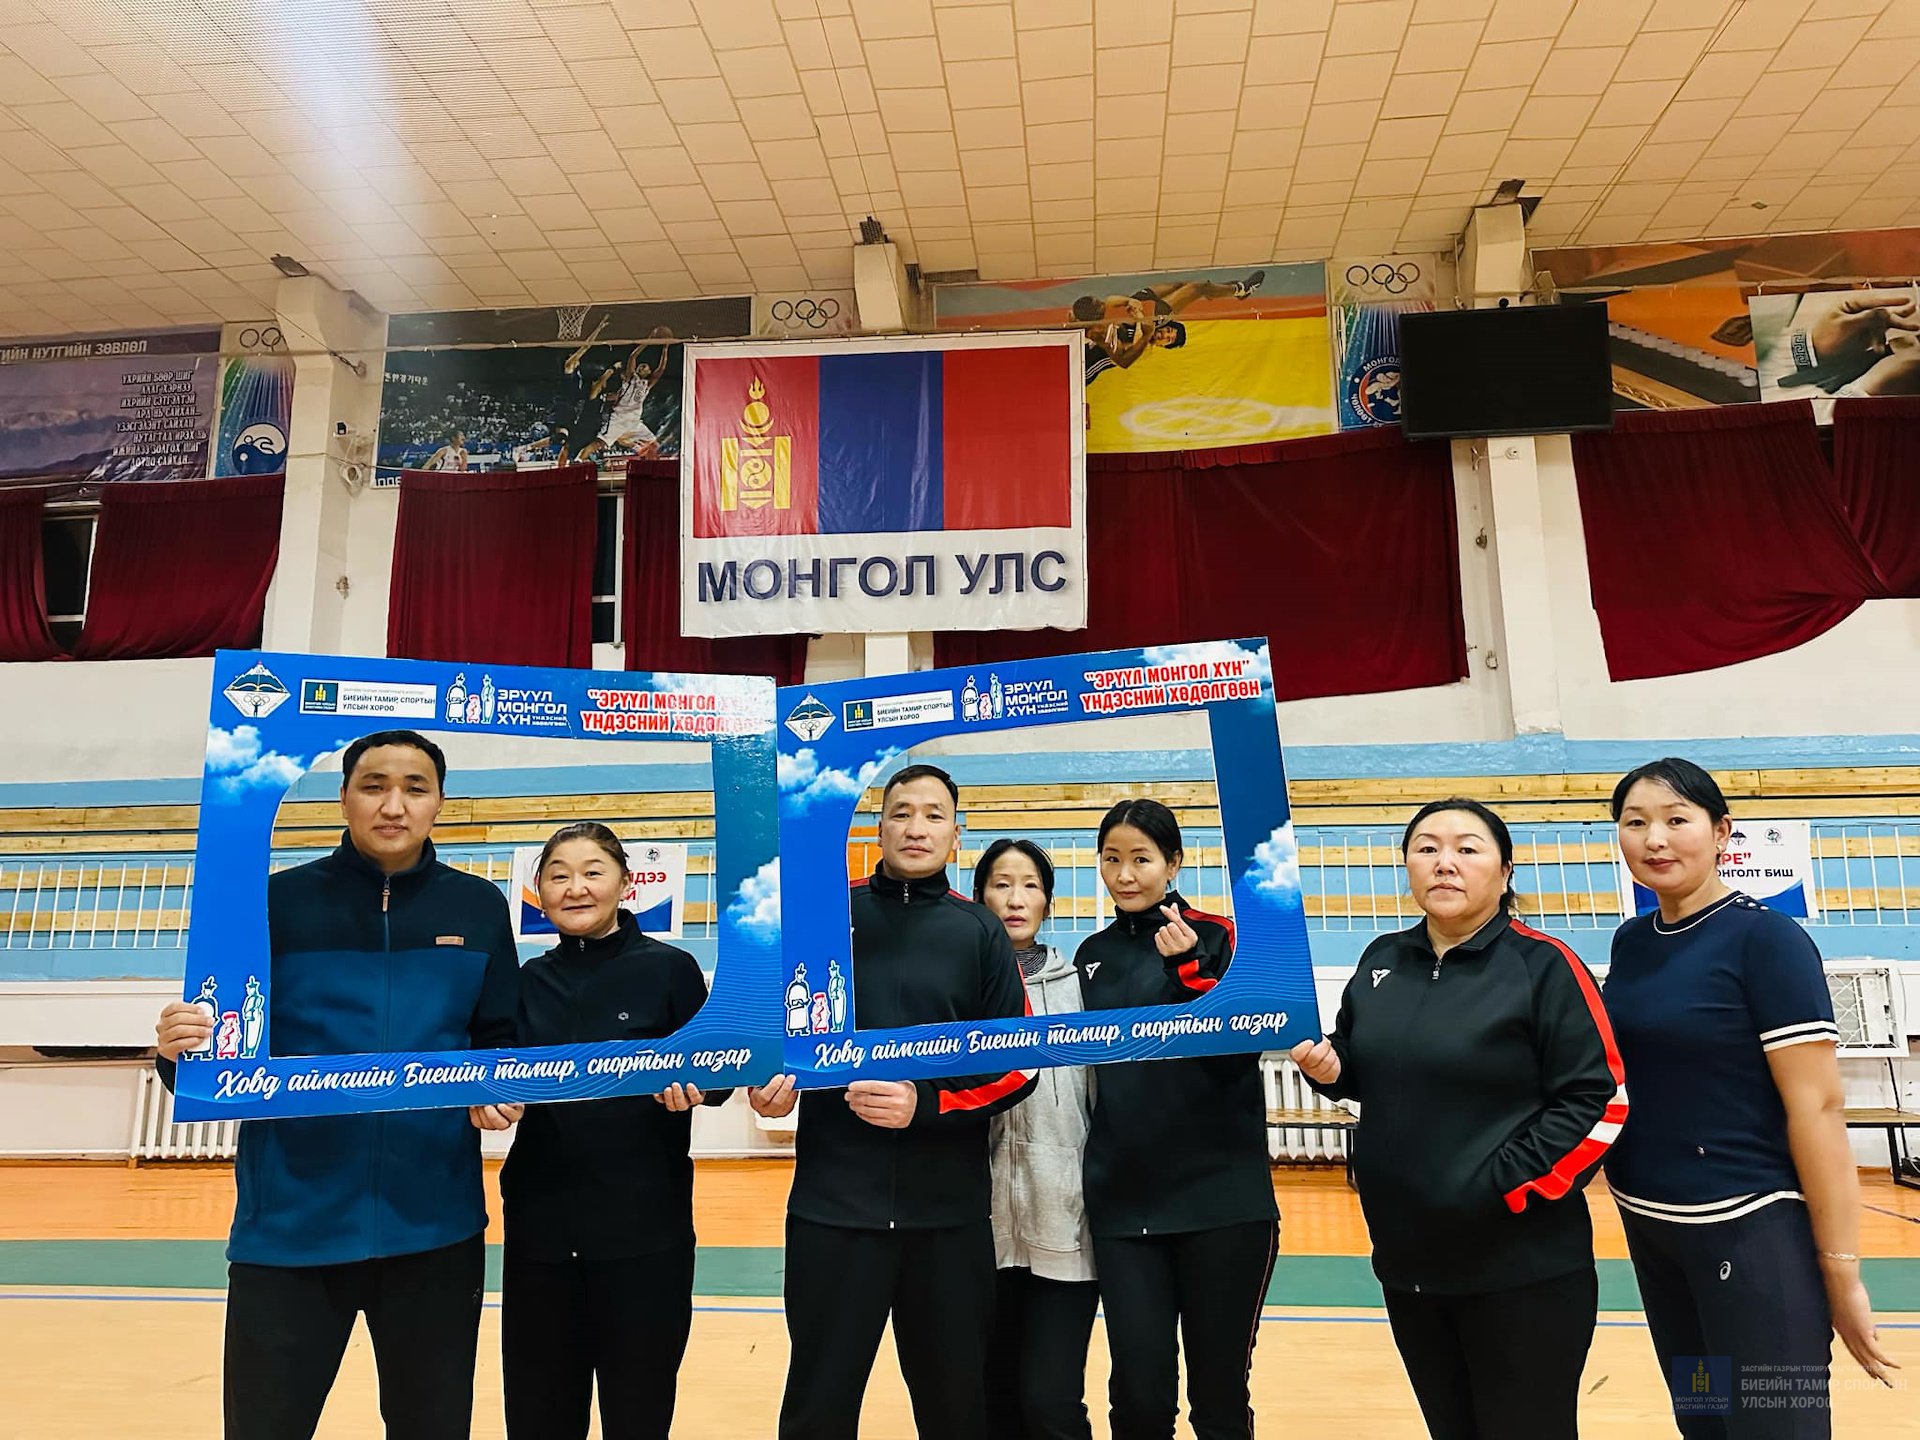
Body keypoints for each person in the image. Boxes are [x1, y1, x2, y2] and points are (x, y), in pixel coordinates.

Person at [153, 729, 519, 1440]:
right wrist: (175, 1051)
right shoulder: (270, 903)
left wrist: (496, 1088)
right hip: (288, 1230)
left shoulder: (478, 907)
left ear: (440, 803)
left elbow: (498, 1035)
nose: (394, 805)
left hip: (434, 1229)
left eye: (415, 788)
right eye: (373, 786)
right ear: (343, 798)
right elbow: (216, 1053)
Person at [1291, 798, 1626, 1440]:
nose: (1444, 862)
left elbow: (1599, 1099)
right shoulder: (1382, 959)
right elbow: (1363, 1065)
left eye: (1467, 849)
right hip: (1409, 1264)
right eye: (1426, 848)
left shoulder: (1545, 965)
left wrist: (1501, 1184)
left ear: (1504, 872)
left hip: (1521, 1270)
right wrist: (1331, 1069)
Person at [1601, 758, 1897, 1437]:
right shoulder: (1633, 941)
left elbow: (1817, 1108)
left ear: (1721, 831)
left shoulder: (1768, 941)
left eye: (1677, 820)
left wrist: (1841, 1271)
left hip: (1750, 1234)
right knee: (1702, 1416)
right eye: (1635, 822)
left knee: (1773, 1423)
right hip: (1655, 1235)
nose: (1654, 839)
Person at [750, 762, 1038, 1440]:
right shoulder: (824, 918)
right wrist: (766, 1087)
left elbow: (1019, 1064)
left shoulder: (980, 931)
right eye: (901, 813)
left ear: (957, 836)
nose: (916, 828)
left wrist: (927, 1105)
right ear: (877, 829)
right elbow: (768, 1034)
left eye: (934, 815)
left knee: (956, 1412)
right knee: (818, 1408)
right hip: (832, 1211)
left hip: (948, 1219)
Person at [471, 822, 729, 1440]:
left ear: (625, 883)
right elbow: (490, 1072)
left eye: (593, 872)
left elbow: (719, 1076)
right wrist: (490, 1100)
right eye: (558, 875)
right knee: (539, 1415)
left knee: (637, 1413)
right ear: (539, 891)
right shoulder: (524, 981)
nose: (576, 888)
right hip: (541, 1235)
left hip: (646, 1234)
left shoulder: (671, 970)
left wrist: (695, 1086)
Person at [1073, 799, 1277, 1440]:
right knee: (1139, 1397)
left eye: (1141, 859)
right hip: (1124, 1205)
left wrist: (1190, 970)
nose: (1124, 874)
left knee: (1219, 1398)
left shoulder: (1222, 938)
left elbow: (1245, 1045)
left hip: (1223, 1203)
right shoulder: (1090, 955)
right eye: (1111, 859)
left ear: (1174, 864)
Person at [974, 837, 1098, 1440]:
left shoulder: (1081, 989)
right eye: (1001, 885)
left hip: (1065, 1223)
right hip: (982, 1230)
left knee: (1051, 1400)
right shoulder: (963, 984)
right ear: (979, 898)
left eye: (1029, 886)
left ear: (1048, 900)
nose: (1015, 899)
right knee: (991, 1397)